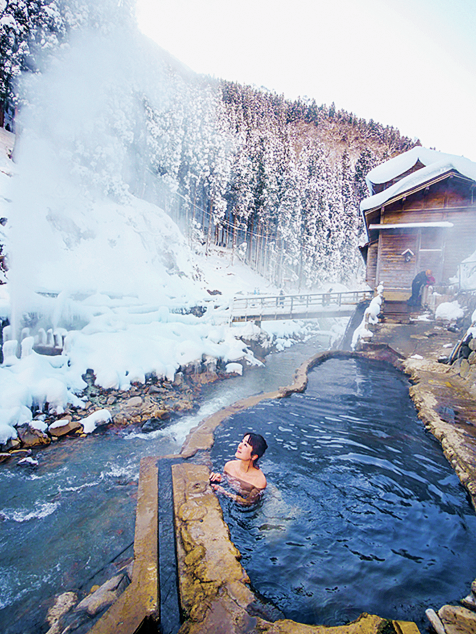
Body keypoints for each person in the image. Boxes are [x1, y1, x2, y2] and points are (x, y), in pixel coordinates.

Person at [209, 432, 268, 504]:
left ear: (254, 456)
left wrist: (225, 493)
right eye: (242, 442)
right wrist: (219, 479)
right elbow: (226, 483)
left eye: (245, 445)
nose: (239, 446)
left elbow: (248, 503)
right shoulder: (229, 466)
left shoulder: (259, 481)